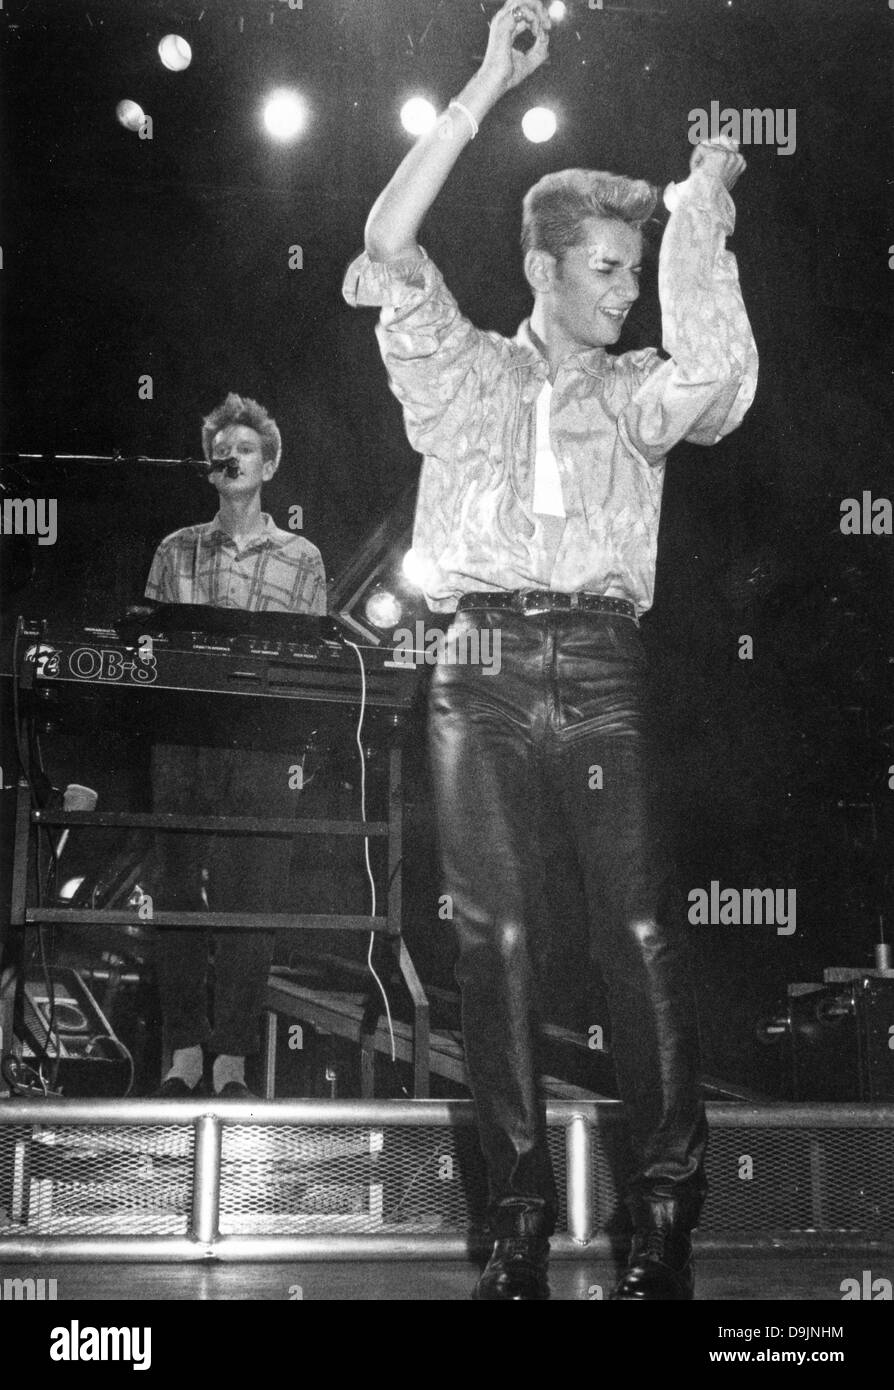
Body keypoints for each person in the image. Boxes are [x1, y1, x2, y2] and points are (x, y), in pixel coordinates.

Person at [343, 0, 757, 1299]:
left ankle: (663, 1202)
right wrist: (480, 83)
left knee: (635, 931)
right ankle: (513, 1214)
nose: (624, 289)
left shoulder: (638, 390)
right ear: (543, 268)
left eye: (633, 272)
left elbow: (723, 370)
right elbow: (383, 239)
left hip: (595, 668)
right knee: (497, 942)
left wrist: (696, 207)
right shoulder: (457, 371)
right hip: (471, 671)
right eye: (608, 268)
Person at [145, 393, 326, 1099]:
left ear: (268, 464)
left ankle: (232, 1062)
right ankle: (182, 1053)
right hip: (185, 738)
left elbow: (311, 662)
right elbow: (150, 649)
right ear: (210, 468)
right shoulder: (176, 548)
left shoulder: (301, 555)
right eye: (223, 448)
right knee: (178, 890)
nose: (233, 457)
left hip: (263, 742)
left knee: (254, 897)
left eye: (246, 447)